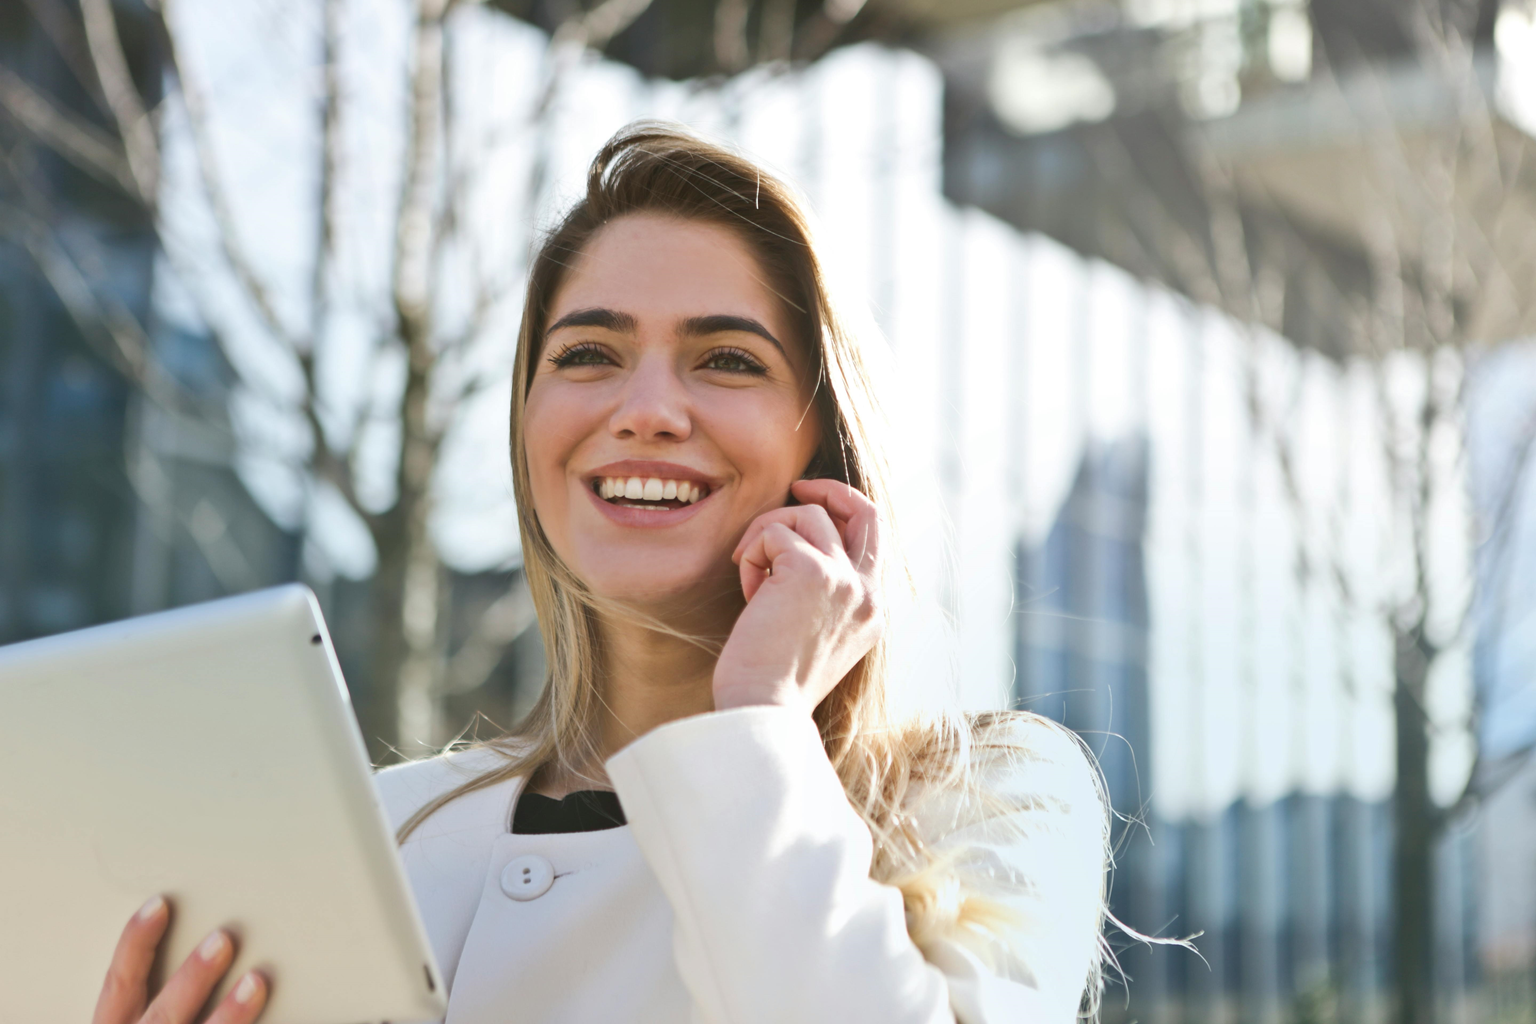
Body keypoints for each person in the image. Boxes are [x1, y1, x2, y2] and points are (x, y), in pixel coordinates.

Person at [92, 124, 1109, 1024]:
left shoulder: (998, 799)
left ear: (829, 445)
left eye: (727, 360)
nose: (647, 408)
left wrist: (756, 719)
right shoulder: (386, 829)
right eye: (586, 354)